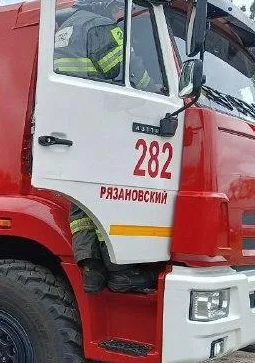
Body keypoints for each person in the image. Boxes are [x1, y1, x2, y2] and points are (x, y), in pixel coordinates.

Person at [55, 0, 156, 293]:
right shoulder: (98, 27)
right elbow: (132, 75)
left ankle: (90, 268)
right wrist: (157, 91)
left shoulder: (66, 29)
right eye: (116, 9)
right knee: (113, 197)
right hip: (102, 125)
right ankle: (120, 271)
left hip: (74, 127)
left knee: (83, 203)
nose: (118, 15)